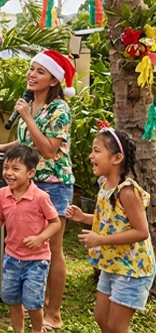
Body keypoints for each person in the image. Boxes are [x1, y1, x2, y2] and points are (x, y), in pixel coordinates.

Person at [0, 50, 75, 329]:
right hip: (27, 181)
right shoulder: (29, 105)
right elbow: (27, 143)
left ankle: (54, 311)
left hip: (54, 184)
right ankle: (30, 303)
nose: (32, 75)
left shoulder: (60, 109)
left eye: (40, 71)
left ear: (53, 80)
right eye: (32, 69)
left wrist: (27, 116)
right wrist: (4, 147)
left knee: (51, 247)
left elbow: (47, 150)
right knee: (25, 241)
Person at [66, 126, 154, 333]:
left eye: (97, 151)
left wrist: (100, 240)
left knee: (117, 326)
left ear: (116, 158)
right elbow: (107, 220)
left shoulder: (127, 191)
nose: (90, 156)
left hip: (133, 269)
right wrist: (83, 217)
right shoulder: (105, 185)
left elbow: (142, 232)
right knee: (101, 316)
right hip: (112, 264)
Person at [0, 146, 61, 333]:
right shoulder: (2, 193)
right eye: (6, 167)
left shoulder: (41, 197)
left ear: (31, 173)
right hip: (11, 258)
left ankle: (37, 330)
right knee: (12, 299)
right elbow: (0, 219)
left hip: (37, 260)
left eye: (15, 169)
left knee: (33, 303)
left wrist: (40, 238)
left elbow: (55, 223)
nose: (8, 173)